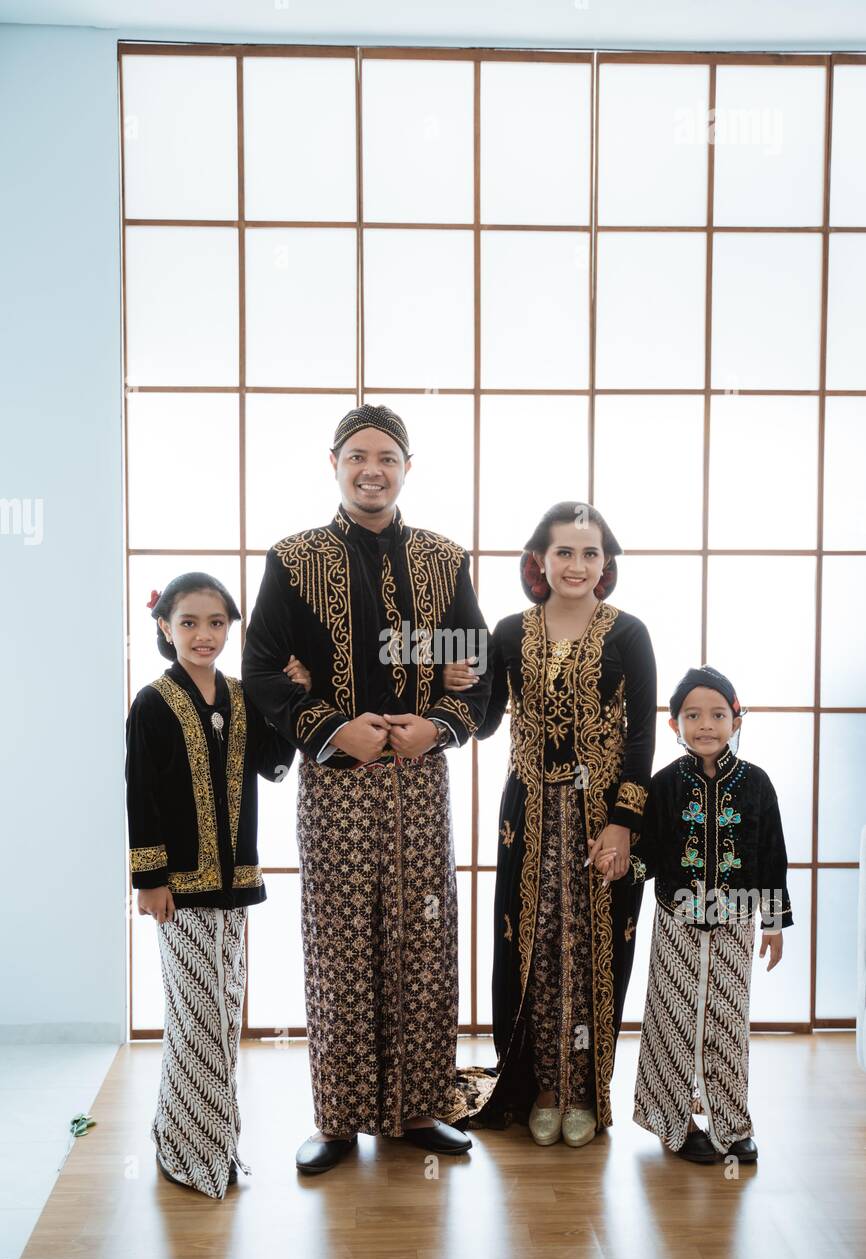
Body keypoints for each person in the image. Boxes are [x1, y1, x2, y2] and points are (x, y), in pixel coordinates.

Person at [241, 403, 494, 1175]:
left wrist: (440, 725)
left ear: (407, 467)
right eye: (358, 456)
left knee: (423, 938)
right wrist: (329, 727)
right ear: (335, 464)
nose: (372, 469)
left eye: (387, 455)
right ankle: (340, 1118)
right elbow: (259, 669)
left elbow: (478, 669)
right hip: (334, 784)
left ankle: (418, 1108)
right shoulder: (294, 560)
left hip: (419, 782)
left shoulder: (444, 561)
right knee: (341, 942)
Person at [445, 502, 657, 1146]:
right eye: (564, 552)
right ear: (539, 560)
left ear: (606, 564)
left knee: (595, 948)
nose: (577, 565)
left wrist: (623, 824)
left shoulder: (629, 634)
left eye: (590, 553)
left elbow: (643, 736)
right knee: (533, 945)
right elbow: (484, 722)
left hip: (604, 815)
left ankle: (586, 1090)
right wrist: (459, 681)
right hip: (529, 809)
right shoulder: (509, 632)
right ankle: (540, 1084)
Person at [125, 573, 295, 1199]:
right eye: (190, 622)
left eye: (217, 622)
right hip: (179, 890)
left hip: (236, 883)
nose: (204, 635)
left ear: (231, 628)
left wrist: (291, 694)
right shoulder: (152, 702)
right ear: (165, 628)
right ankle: (185, 1150)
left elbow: (274, 766)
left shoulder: (241, 696)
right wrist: (148, 879)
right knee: (192, 1018)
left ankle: (209, 1143)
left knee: (223, 1018)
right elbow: (139, 792)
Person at [627, 665, 792, 1164]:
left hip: (736, 921)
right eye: (693, 715)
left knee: (726, 1020)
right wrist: (622, 866)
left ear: (736, 720)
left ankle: (731, 1125)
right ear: (675, 724)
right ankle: (674, 1122)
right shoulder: (664, 784)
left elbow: (771, 854)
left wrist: (773, 923)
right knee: (674, 1019)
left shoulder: (758, 785)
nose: (706, 725)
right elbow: (651, 852)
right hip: (677, 920)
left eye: (718, 714)